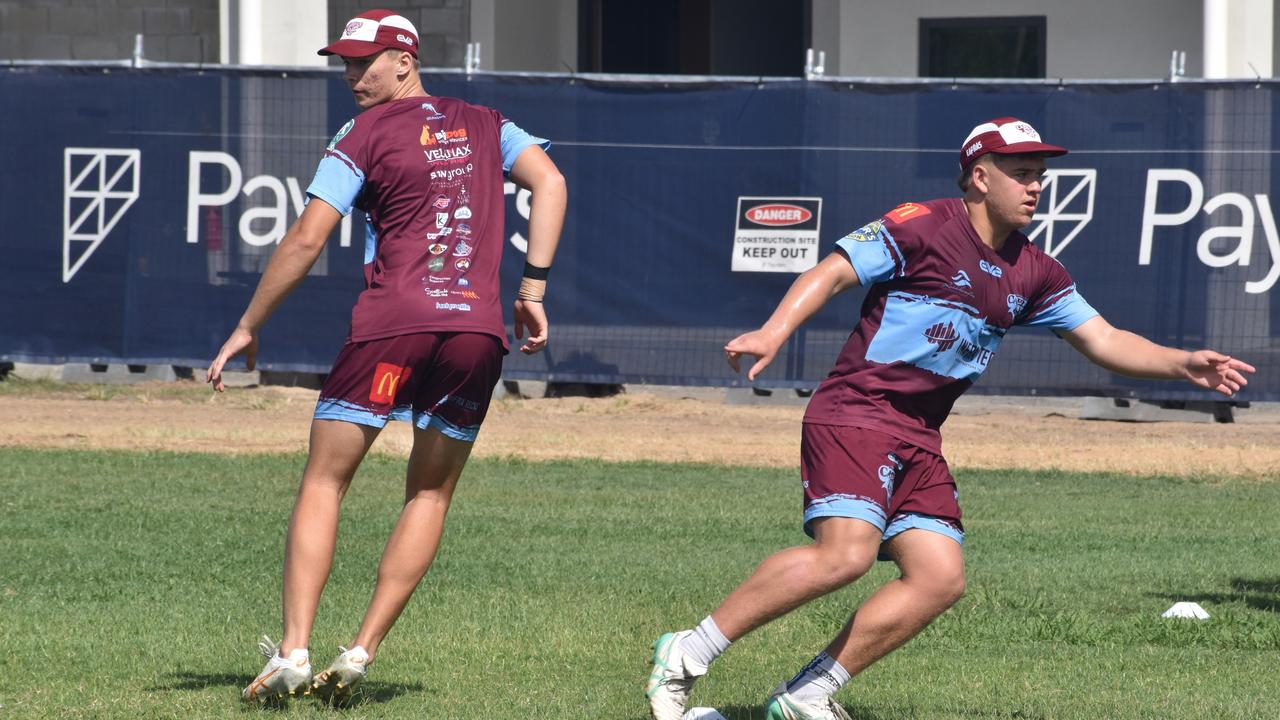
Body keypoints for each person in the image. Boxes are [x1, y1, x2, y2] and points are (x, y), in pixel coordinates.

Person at [646, 117, 1255, 720]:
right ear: (979, 177)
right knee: (845, 557)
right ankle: (686, 652)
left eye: (1039, 175)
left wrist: (1180, 364)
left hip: (919, 434)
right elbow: (832, 270)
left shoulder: (1035, 270)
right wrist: (772, 332)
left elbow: (1104, 339)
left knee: (939, 578)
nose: (1035, 186)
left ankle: (807, 693)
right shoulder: (923, 225)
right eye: (1021, 174)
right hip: (857, 412)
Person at [206, 9, 567, 704]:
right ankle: (363, 650)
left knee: (324, 481)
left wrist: (249, 324)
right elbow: (551, 183)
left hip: (391, 326)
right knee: (430, 492)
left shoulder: (362, 133)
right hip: (474, 334)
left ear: (406, 60)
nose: (350, 75)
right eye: (342, 62)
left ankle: (295, 651)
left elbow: (309, 237)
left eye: (363, 62)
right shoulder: (489, 123)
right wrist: (533, 290)